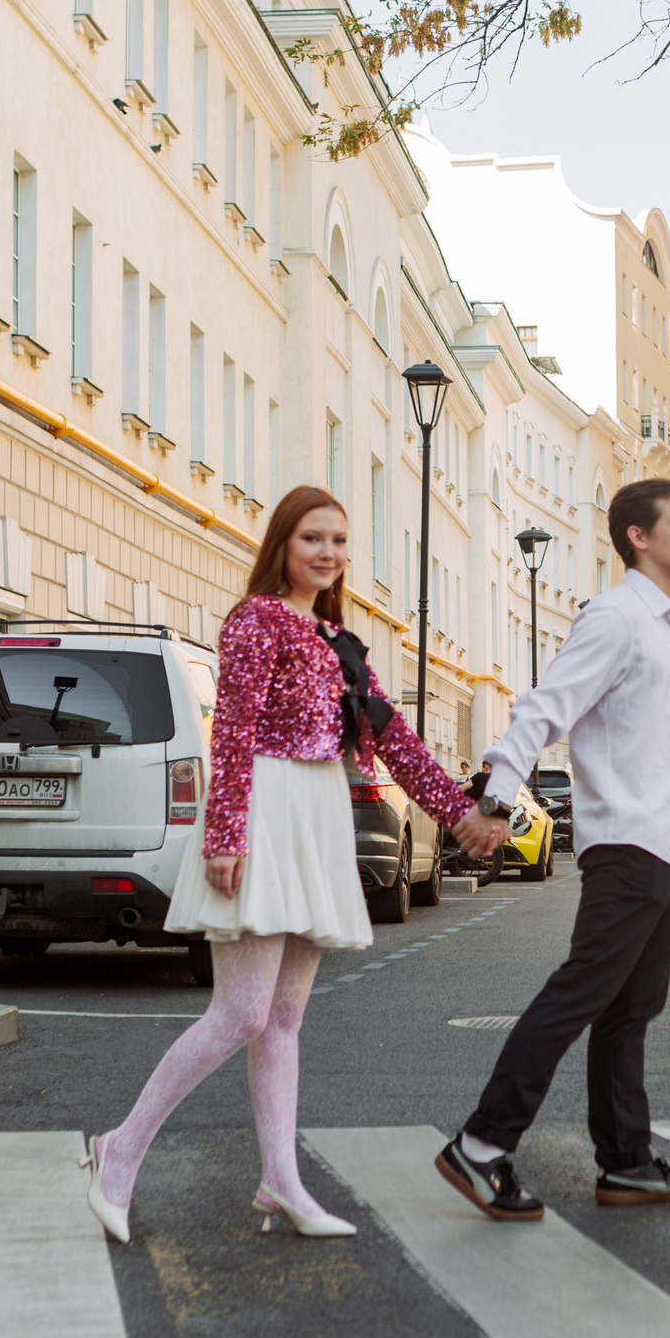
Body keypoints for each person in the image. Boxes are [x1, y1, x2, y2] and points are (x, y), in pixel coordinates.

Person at [82, 486, 481, 1243]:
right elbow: (230, 728)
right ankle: (120, 1148)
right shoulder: (257, 620)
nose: (327, 553)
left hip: (316, 812)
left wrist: (458, 810)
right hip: (263, 806)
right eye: (311, 538)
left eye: (338, 540)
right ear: (282, 545)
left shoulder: (338, 641)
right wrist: (226, 832)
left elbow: (393, 738)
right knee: (240, 1012)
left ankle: (280, 1179)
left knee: (286, 1017)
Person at [435, 478, 670, 1222]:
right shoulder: (615, 618)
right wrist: (495, 798)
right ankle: (483, 1143)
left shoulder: (667, 628)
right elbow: (543, 707)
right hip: (622, 847)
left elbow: (663, 761)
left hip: (659, 849)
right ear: (637, 536)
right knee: (579, 996)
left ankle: (625, 1162)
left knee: (631, 1009)